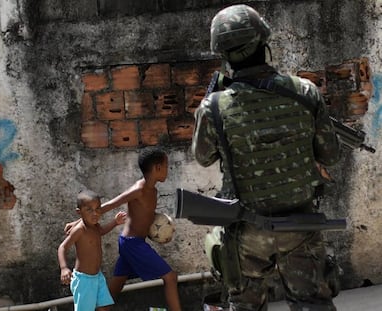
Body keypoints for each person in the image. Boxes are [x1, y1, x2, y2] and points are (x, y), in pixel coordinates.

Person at [192, 4, 341, 311]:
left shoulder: (214, 106)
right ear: (264, 42)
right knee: (313, 304)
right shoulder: (305, 92)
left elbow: (203, 157)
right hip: (299, 223)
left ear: (224, 54)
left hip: (247, 231)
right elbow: (330, 154)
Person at [66, 146, 182, 311]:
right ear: (157, 168)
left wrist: (161, 228)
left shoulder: (153, 190)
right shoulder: (138, 190)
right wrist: (77, 222)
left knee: (115, 288)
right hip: (132, 243)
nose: (168, 170)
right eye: (166, 166)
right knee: (170, 277)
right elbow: (107, 205)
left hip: (132, 243)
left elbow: (146, 215)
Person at [58, 189, 126, 311]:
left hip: (97, 276)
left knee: (104, 307)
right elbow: (63, 247)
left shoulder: (95, 226)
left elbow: (101, 232)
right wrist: (64, 268)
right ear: (79, 212)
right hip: (84, 280)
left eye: (98, 209)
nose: (95, 213)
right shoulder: (79, 230)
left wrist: (115, 222)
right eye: (89, 210)